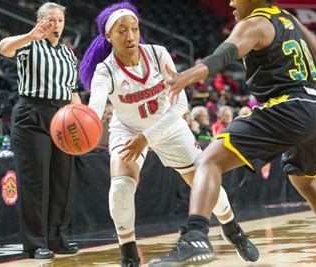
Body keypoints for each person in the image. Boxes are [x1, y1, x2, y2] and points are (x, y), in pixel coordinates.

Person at [149, 1, 316, 266]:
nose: (231, 2)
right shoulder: (288, 18)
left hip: (289, 107)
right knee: (306, 181)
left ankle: (195, 237)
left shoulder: (254, 24)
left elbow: (222, 57)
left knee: (208, 161)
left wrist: (185, 77)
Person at [78, 2, 258, 266]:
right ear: (108, 36)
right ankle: (128, 255)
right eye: (121, 31)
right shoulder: (105, 70)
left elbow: (180, 105)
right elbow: (94, 108)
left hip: (168, 124)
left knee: (204, 182)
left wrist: (147, 138)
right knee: (120, 188)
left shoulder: (158, 54)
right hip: (128, 129)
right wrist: (85, 125)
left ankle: (232, 229)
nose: (130, 36)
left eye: (134, 29)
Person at [0, 2, 81, 259]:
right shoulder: (29, 44)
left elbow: (72, 91)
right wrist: (31, 34)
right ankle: (36, 243)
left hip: (62, 115)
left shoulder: (69, 55)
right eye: (51, 20)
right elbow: (3, 48)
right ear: (40, 21)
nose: (56, 25)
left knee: (62, 179)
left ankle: (58, 238)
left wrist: (83, 118)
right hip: (32, 113)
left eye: (60, 21)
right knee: (36, 181)